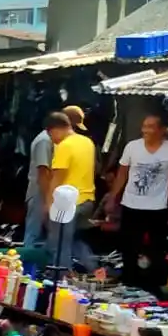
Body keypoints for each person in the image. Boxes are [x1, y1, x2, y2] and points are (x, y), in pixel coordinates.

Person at [111, 113, 168, 292]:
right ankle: (129, 281)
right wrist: (113, 197)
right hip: (131, 204)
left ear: (162, 130)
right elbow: (122, 174)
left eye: (151, 127)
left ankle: (153, 284)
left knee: (157, 248)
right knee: (129, 246)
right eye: (144, 126)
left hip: (158, 207)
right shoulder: (132, 147)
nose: (146, 130)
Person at [46, 110, 98, 271]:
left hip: (68, 204)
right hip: (88, 200)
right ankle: (94, 270)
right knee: (75, 239)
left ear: (54, 129)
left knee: (60, 244)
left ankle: (62, 279)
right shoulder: (87, 142)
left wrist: (49, 204)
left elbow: (57, 178)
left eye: (51, 135)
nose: (52, 140)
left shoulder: (64, 146)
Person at [24, 121, 54, 251]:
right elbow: (43, 171)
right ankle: (26, 264)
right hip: (40, 191)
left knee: (43, 233)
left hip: (44, 191)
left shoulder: (47, 140)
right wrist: (47, 199)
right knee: (34, 232)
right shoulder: (44, 141)